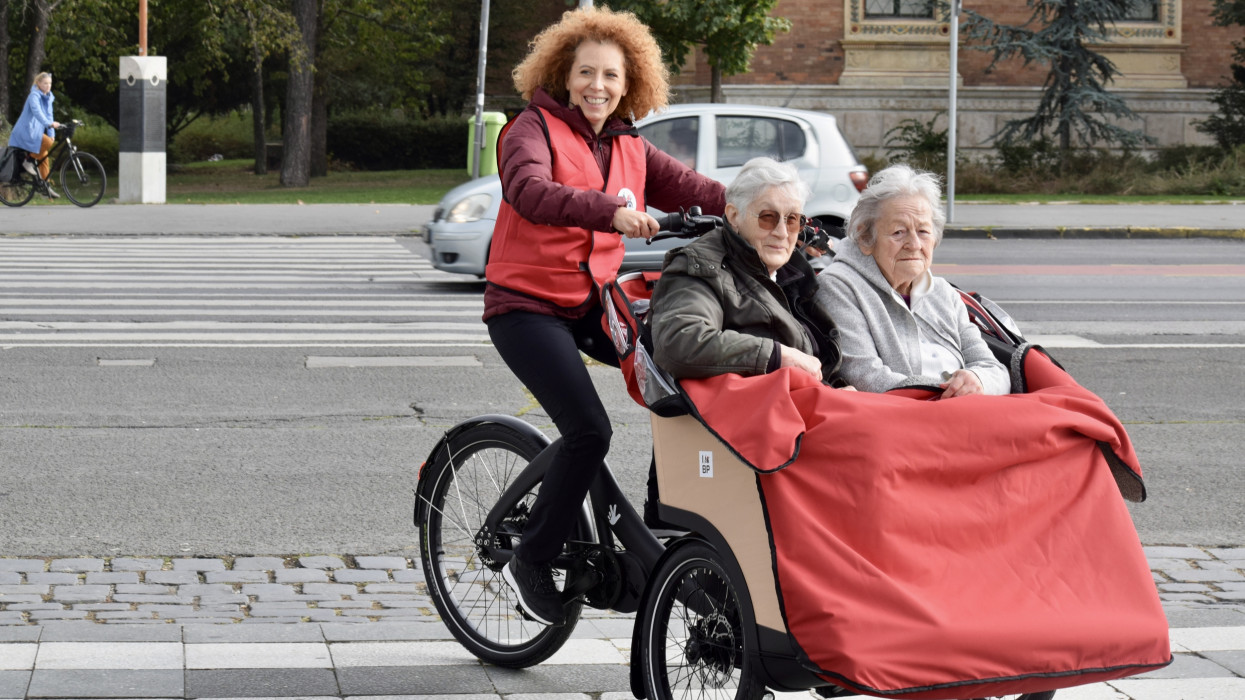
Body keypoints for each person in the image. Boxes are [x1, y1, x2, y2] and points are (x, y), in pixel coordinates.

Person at [484, 6, 725, 627]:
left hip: (591, 301)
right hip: (525, 307)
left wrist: (774, 210)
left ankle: (663, 518)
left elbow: (699, 190)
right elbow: (529, 191)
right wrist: (609, 212)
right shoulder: (528, 129)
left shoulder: (629, 144)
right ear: (565, 75)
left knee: (682, 378)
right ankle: (530, 557)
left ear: (629, 83)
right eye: (586, 73)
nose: (598, 85)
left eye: (611, 76)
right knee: (589, 430)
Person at [817, 163, 1009, 397]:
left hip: (964, 413)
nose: (914, 244)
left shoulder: (943, 293)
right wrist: (945, 395)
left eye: (923, 231)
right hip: (903, 422)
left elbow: (994, 368)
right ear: (867, 238)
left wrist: (977, 381)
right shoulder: (839, 287)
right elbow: (864, 376)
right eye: (899, 232)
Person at [650, 157, 842, 386]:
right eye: (767, 218)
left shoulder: (790, 273)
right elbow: (680, 341)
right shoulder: (702, 267)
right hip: (772, 412)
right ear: (733, 216)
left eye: (792, 220)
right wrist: (777, 355)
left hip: (813, 401)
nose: (782, 232)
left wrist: (839, 389)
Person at [8, 72, 61, 198]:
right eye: (45, 83)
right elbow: (37, 113)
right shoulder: (34, 96)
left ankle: (45, 188)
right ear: (38, 83)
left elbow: (49, 115)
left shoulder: (48, 97)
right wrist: (49, 124)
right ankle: (29, 160)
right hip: (25, 132)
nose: (48, 86)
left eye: (50, 83)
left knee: (44, 157)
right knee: (47, 143)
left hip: (34, 132)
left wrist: (51, 132)